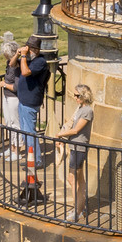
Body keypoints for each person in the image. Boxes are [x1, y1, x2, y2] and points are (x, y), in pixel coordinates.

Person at [50, 83, 95, 218]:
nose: (75, 98)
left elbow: (76, 130)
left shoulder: (87, 111)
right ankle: (80, 207)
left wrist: (59, 135)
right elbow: (71, 125)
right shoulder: (80, 108)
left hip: (79, 147)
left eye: (77, 95)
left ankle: (78, 210)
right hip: (75, 146)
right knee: (78, 179)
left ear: (83, 96)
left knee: (72, 179)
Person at [11, 38, 50, 186]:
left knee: (30, 133)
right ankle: (31, 159)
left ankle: (37, 160)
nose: (27, 51)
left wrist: (23, 57)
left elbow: (25, 72)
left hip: (30, 102)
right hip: (24, 101)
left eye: (29, 48)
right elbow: (12, 64)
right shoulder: (29, 59)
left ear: (35, 50)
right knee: (26, 132)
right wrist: (18, 54)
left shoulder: (40, 62)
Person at [0, 37, 21, 150]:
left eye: (6, 54)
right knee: (8, 122)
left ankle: (16, 150)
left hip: (13, 98)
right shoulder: (9, 63)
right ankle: (12, 147)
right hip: (7, 96)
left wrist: (4, 85)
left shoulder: (17, 66)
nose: (4, 56)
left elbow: (16, 87)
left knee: (15, 123)